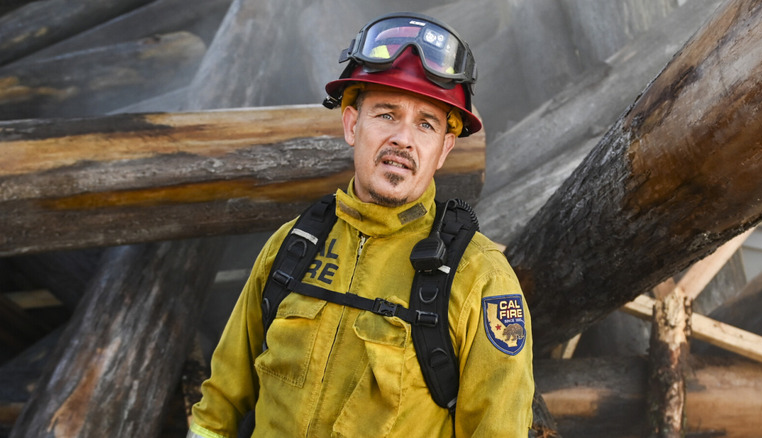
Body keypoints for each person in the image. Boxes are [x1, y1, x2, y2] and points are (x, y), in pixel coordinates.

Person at [188, 12, 534, 438]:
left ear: (443, 149)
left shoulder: (479, 278)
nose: (403, 139)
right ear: (352, 124)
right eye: (386, 114)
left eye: (425, 124)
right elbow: (218, 405)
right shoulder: (293, 246)